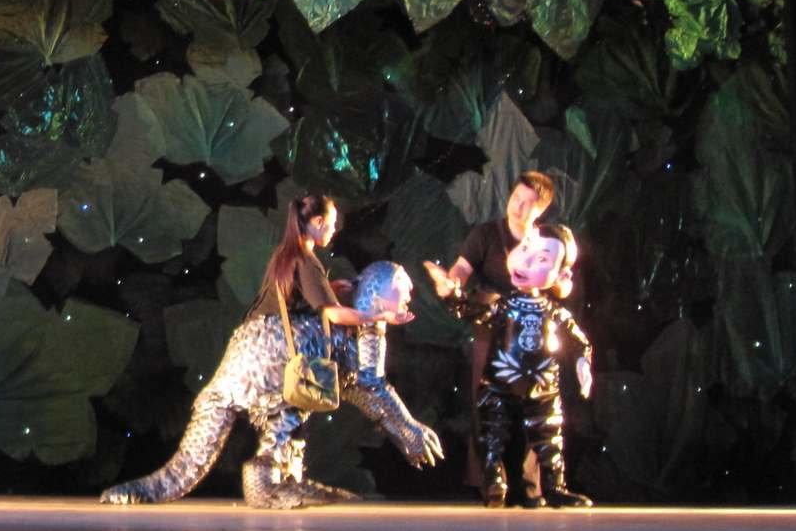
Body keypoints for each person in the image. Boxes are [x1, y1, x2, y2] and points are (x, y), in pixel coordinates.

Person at [103, 195, 443, 508]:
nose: (408, 299)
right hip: (270, 351)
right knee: (290, 408)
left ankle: (288, 479)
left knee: (300, 404)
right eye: (404, 293)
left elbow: (306, 301)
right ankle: (264, 483)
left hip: (255, 345)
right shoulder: (307, 262)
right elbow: (368, 381)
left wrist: (334, 291)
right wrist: (407, 426)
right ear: (316, 223)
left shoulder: (292, 255)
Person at [424, 170, 568, 503]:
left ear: (541, 210)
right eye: (516, 198)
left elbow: (562, 283)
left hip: (532, 334)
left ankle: (532, 487)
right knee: (489, 405)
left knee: (538, 407)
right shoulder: (487, 234)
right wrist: (451, 283)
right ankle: (490, 481)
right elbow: (461, 270)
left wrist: (560, 285)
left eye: (527, 203)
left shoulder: (547, 240)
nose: (518, 207)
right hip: (493, 329)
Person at [477, 223, 594, 508]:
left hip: (543, 385)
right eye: (525, 248)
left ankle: (554, 487)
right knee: (493, 433)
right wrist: (454, 296)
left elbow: (577, 340)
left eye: (542, 258)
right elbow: (475, 312)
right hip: (501, 382)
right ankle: (494, 482)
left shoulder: (553, 310)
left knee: (550, 436)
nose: (526, 261)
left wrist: (583, 364)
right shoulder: (504, 305)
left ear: (561, 274)